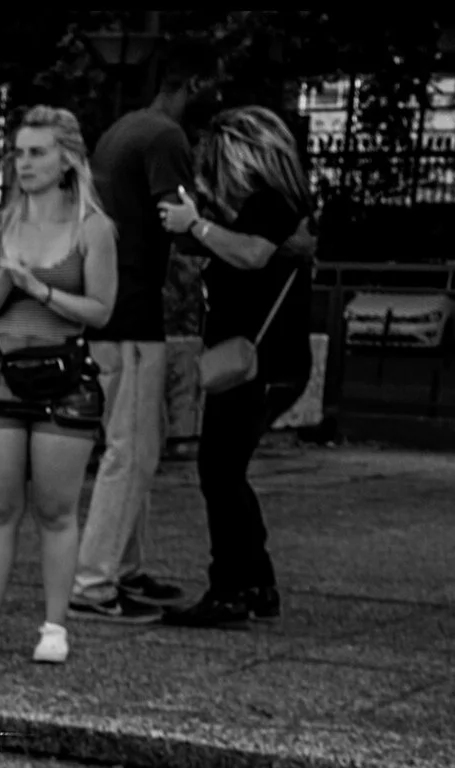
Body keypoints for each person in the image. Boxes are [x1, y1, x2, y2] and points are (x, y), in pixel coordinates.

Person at [0, 107, 117, 666]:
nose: (25, 163)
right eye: (20, 152)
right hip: (0, 375)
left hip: (65, 379)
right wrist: (8, 274)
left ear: (66, 158)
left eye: (38, 152)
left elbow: (101, 310)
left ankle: (54, 626)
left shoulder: (92, 227)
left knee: (56, 508)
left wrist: (40, 290)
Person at [67, 48, 220, 625]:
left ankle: (124, 569)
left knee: (132, 445)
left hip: (113, 310)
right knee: (132, 451)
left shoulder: (123, 129)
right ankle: (95, 582)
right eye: (212, 87)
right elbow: (175, 226)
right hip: (132, 315)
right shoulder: (164, 139)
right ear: (191, 82)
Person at [158, 107, 315, 630]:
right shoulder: (273, 205)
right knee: (228, 473)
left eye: (221, 158)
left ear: (244, 154)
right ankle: (256, 581)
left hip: (257, 363)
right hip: (260, 361)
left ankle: (231, 589)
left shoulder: (272, 202)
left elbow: (250, 255)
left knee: (220, 472)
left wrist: (195, 224)